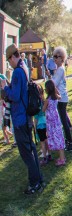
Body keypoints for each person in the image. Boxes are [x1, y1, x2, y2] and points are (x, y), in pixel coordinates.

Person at [1, 45, 44, 194]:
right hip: (27, 116)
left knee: (26, 153)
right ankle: (39, 179)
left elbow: (14, 96)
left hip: (20, 118)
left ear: (12, 57)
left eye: (8, 60)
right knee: (31, 149)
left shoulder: (18, 72)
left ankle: (34, 184)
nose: (9, 63)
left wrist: (4, 88)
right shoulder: (24, 67)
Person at [52, 47, 72, 151]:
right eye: (54, 56)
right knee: (63, 120)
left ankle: (70, 143)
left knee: (64, 122)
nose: (55, 59)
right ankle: (67, 140)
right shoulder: (59, 69)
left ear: (62, 58)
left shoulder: (60, 69)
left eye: (57, 56)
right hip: (61, 98)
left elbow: (54, 83)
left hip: (61, 99)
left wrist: (50, 82)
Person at [43, 79, 67, 166]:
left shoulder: (47, 100)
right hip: (56, 120)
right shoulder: (56, 97)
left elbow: (43, 110)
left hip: (51, 122)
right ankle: (62, 157)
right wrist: (55, 88)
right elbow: (60, 96)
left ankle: (62, 160)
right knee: (59, 137)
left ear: (47, 89)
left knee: (57, 139)